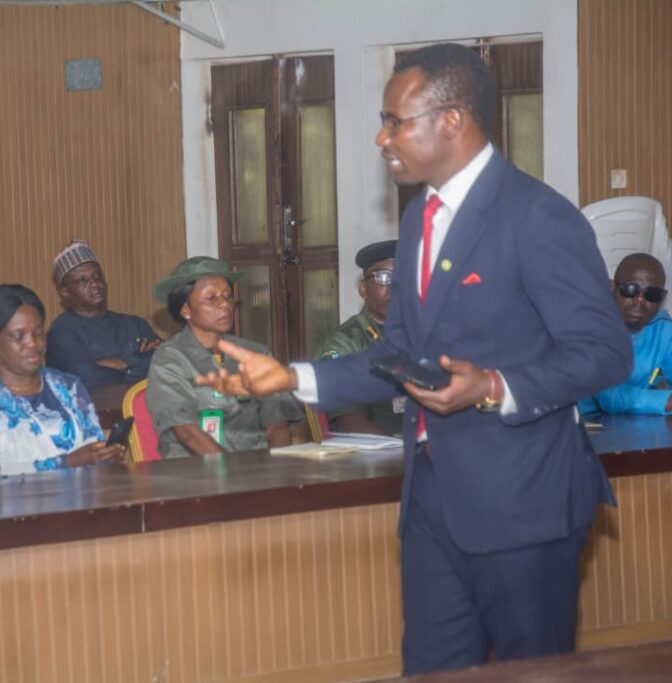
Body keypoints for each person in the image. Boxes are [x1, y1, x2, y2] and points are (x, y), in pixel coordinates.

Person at [197, 44, 632, 675]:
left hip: (523, 504)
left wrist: (494, 386)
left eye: (394, 122)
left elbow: (605, 352)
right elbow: (398, 355)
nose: (382, 138)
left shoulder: (537, 216)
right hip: (431, 502)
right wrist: (291, 377)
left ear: (451, 120)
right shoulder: (420, 220)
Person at [0, 285, 125, 475]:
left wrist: (106, 455)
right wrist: (68, 462)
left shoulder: (68, 387)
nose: (32, 343)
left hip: (83, 492)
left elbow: (94, 450)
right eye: (18, 337)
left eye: (39, 333)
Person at [146, 257, 302, 458]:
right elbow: (188, 433)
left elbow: (278, 425)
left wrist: (280, 467)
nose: (225, 305)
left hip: (258, 466)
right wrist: (230, 473)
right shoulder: (169, 359)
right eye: (211, 298)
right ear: (186, 310)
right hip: (195, 469)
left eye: (228, 297)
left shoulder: (255, 353)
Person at [315, 239, 404, 436]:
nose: (394, 286)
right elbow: (350, 423)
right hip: (379, 451)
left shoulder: (423, 336)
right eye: (383, 277)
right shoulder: (345, 344)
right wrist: (403, 450)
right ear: (363, 288)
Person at [46, 240, 160, 388]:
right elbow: (88, 378)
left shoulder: (134, 325)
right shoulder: (61, 332)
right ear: (65, 292)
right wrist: (139, 363)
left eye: (97, 275)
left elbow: (166, 362)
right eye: (82, 280)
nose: (94, 283)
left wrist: (124, 363)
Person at [579, 253, 672, 415]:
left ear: (662, 298)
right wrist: (666, 402)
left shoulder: (662, 328)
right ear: (612, 288)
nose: (640, 300)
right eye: (630, 290)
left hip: (625, 423)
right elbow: (610, 397)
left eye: (652, 294)